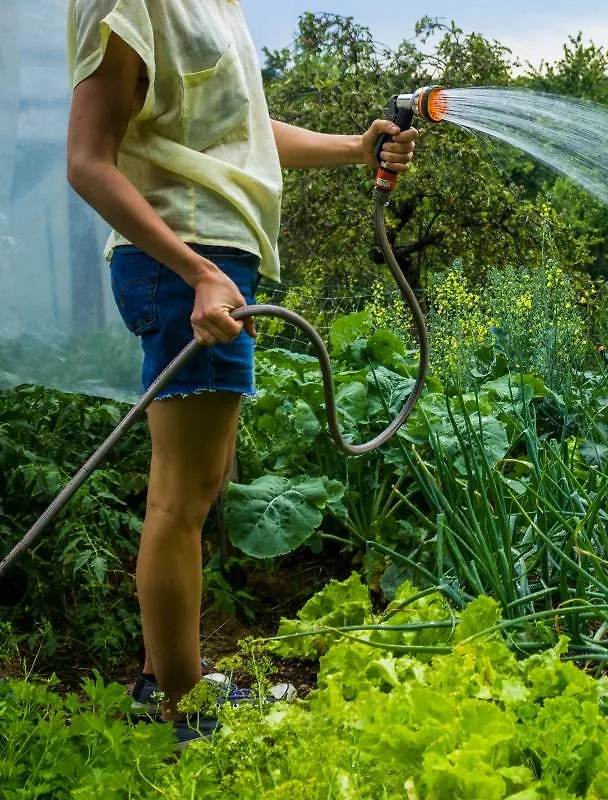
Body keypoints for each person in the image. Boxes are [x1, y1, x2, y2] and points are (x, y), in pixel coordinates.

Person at [65, 0, 418, 745]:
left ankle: (164, 675)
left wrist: (355, 148)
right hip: (186, 255)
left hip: (212, 257)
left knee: (202, 478)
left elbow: (241, 140)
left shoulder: (215, 6)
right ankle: (184, 706)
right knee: (181, 498)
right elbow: (87, 162)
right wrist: (195, 271)